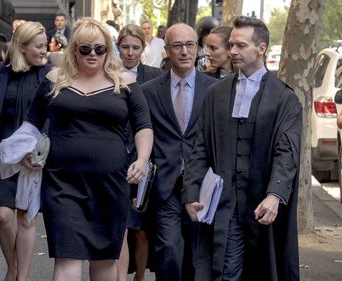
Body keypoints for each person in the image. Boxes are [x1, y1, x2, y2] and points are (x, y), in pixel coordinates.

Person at [24, 17, 153, 281]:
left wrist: (141, 160)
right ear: (74, 50)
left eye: (99, 48)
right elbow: (31, 123)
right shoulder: (54, 78)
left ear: (108, 49)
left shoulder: (126, 82)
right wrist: (25, 152)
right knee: (66, 258)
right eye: (85, 49)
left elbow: (144, 127)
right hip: (62, 183)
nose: (93, 54)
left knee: (105, 261)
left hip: (110, 184)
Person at [182, 16, 302, 281]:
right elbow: (200, 146)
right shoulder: (217, 93)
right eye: (232, 45)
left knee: (263, 270)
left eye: (241, 45)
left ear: (261, 48)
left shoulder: (284, 98)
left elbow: (287, 152)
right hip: (225, 205)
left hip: (262, 202)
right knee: (224, 271)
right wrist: (191, 191)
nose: (233, 51)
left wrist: (275, 195)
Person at [140, 23, 217, 281]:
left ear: (198, 48)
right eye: (177, 46)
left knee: (196, 258)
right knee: (169, 251)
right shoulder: (149, 91)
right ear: (166, 49)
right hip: (165, 186)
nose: (184, 52)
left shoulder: (215, 90)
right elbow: (141, 135)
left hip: (202, 186)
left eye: (190, 45)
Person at [0, 21, 51, 281]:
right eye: (39, 46)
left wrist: (37, 155)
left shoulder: (50, 74)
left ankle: (19, 277)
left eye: (45, 45)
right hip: (2, 156)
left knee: (26, 217)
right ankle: (12, 266)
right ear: (22, 47)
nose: (45, 50)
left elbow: (51, 119)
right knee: (2, 215)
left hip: (34, 159)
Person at [115, 23, 164, 281]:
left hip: (145, 157)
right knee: (119, 225)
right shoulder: (108, 73)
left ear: (143, 48)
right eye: (125, 47)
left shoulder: (155, 75)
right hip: (115, 155)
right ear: (118, 47)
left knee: (141, 228)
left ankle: (140, 277)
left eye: (135, 47)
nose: (130, 52)